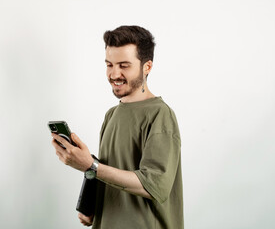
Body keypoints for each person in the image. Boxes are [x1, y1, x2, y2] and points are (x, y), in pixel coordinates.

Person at [51, 25, 183, 229]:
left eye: (124, 65)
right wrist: (93, 203)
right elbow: (111, 172)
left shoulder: (160, 114)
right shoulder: (111, 114)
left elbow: (154, 185)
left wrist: (91, 166)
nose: (114, 74)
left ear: (147, 67)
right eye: (109, 64)